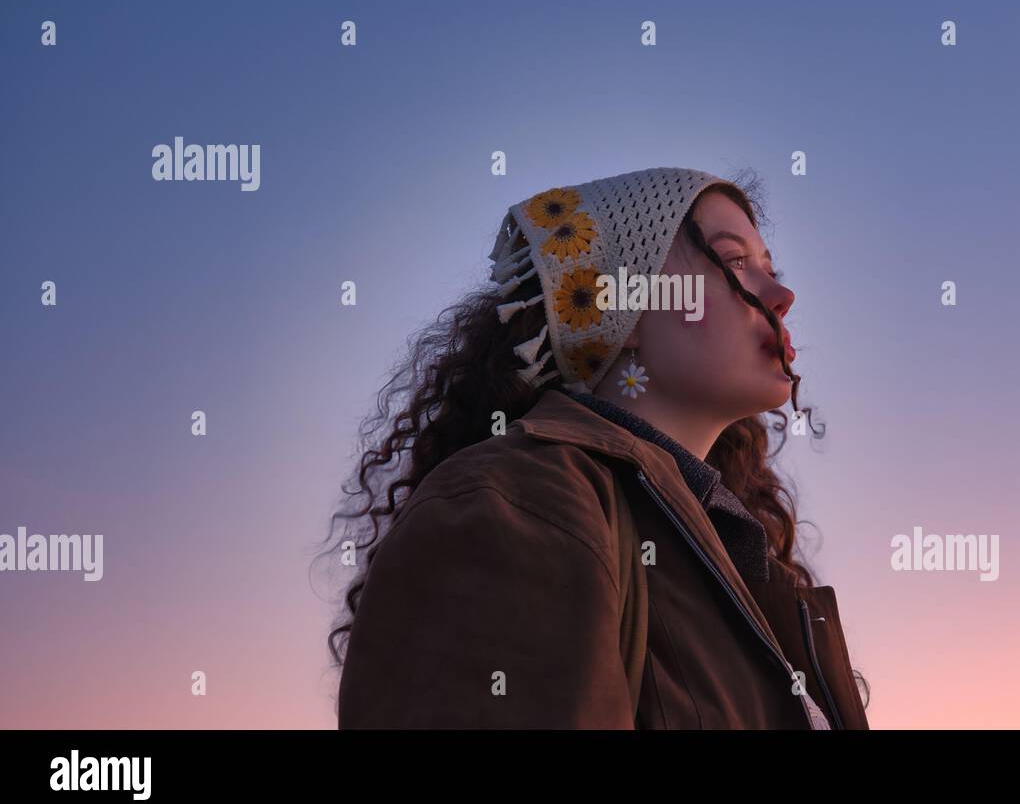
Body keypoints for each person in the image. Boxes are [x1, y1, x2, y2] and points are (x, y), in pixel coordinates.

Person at [327, 167, 870, 728]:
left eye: (770, 269)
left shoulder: (733, 558)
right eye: (734, 263)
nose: (782, 296)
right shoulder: (515, 503)